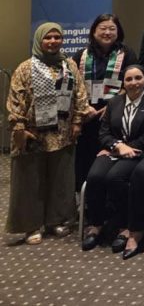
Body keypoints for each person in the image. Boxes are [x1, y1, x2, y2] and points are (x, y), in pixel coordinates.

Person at [6, 22, 87, 245]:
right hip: (32, 133)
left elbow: (80, 93)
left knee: (60, 178)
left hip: (62, 132)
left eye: (57, 37)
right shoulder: (25, 68)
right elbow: (16, 99)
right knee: (30, 180)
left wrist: (78, 120)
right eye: (48, 38)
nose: (53, 42)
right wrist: (19, 128)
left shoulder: (69, 65)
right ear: (39, 40)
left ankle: (56, 220)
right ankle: (31, 225)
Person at [82, 65, 144, 260]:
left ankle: (125, 225)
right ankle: (96, 224)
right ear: (123, 82)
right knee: (94, 177)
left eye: (138, 78)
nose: (133, 83)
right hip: (115, 150)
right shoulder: (114, 102)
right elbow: (103, 132)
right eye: (129, 79)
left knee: (115, 178)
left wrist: (128, 147)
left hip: (140, 152)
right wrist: (117, 146)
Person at [72, 14, 138, 191]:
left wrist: (110, 106)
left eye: (112, 29)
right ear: (94, 31)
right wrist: (84, 108)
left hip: (114, 115)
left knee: (109, 159)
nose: (107, 32)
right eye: (103, 28)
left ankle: (110, 200)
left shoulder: (127, 54)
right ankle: (86, 201)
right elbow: (73, 85)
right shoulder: (81, 55)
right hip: (87, 115)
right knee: (84, 159)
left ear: (119, 32)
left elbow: (133, 84)